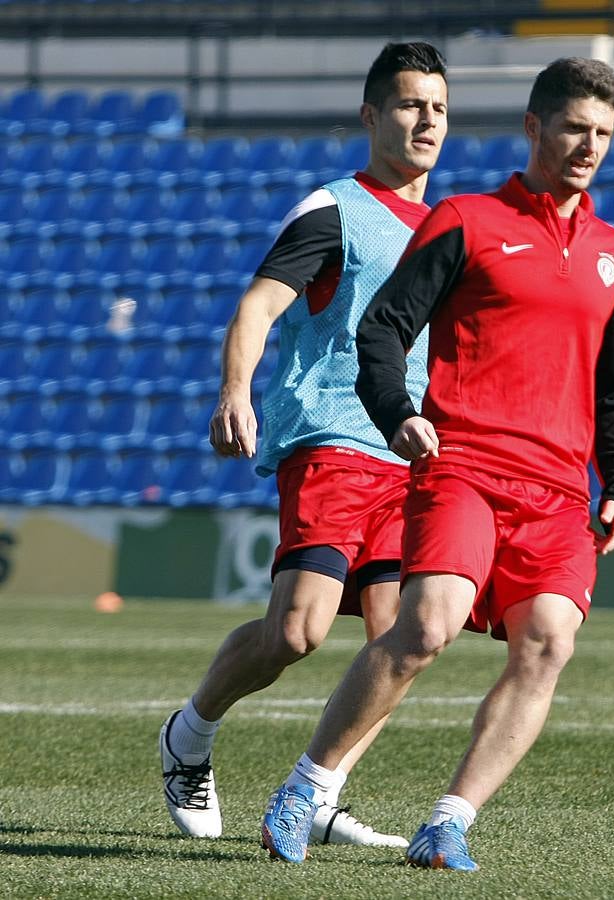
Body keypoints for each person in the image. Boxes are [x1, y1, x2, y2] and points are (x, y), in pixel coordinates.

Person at [258, 56, 614, 869]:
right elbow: (382, 331)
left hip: (555, 492)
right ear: (534, 127)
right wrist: (397, 414)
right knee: (423, 629)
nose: (588, 145)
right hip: (462, 465)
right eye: (575, 127)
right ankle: (306, 785)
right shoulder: (466, 220)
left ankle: (449, 822)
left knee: (546, 642)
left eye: (603, 132)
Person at [158, 41, 449, 849]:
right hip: (331, 438)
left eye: (437, 107)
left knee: (405, 640)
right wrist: (233, 389)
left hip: (411, 453)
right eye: (407, 103)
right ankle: (189, 735)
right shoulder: (333, 208)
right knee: (296, 632)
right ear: (370, 116)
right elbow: (258, 307)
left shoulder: (445, 229)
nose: (425, 119)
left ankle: (322, 794)